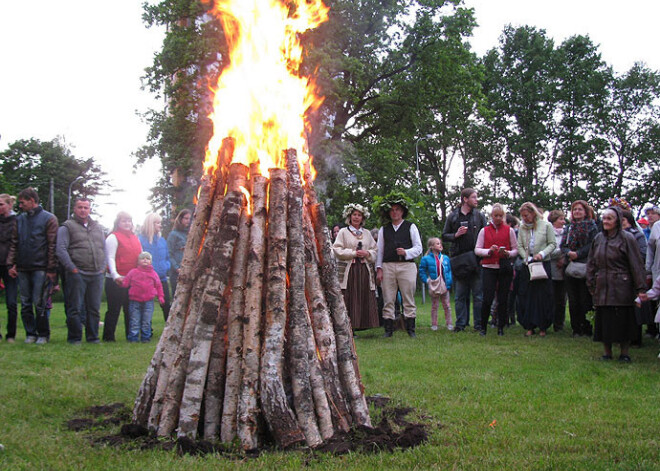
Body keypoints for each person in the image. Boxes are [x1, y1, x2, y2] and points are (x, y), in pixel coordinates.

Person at [587, 207, 647, 362]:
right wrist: (591, 281)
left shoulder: (627, 238)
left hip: (622, 285)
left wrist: (641, 288)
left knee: (623, 320)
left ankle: (624, 353)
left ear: (617, 221)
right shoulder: (599, 238)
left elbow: (636, 263)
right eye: (604, 218)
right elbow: (592, 262)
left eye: (609, 219)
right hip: (603, 284)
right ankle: (607, 352)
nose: (606, 221)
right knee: (604, 319)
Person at [6, 188, 58, 344]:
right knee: (25, 302)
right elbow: (14, 243)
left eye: (22, 202)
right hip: (22, 267)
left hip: (40, 267)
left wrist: (51, 268)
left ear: (32, 200)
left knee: (39, 302)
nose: (20, 206)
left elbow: (52, 245)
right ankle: (30, 333)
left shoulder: (49, 218)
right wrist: (11, 264)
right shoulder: (19, 220)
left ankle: (43, 334)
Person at [56, 198, 106, 344]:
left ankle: (93, 338)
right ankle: (74, 338)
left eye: (86, 207)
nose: (83, 210)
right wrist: (72, 268)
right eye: (80, 207)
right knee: (75, 308)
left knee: (94, 309)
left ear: (90, 209)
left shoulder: (97, 227)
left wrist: (103, 267)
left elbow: (103, 247)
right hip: (78, 273)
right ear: (74, 209)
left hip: (96, 274)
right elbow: (60, 249)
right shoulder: (67, 227)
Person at [375, 194, 423, 338]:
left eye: (397, 209)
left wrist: (406, 252)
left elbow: (419, 247)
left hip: (406, 266)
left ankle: (410, 329)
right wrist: (379, 269)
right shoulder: (384, 229)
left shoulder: (410, 227)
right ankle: (388, 330)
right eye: (392, 210)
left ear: (402, 212)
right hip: (388, 266)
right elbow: (380, 251)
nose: (394, 212)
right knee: (388, 298)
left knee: (408, 297)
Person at [442, 188, 487, 332]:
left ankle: (479, 324)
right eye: (473, 197)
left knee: (478, 295)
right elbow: (444, 235)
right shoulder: (453, 216)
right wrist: (455, 235)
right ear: (465, 199)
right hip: (459, 260)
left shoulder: (479, 216)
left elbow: (486, 234)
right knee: (460, 294)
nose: (476, 200)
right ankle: (460, 324)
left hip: (476, 259)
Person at [333, 203, 379, 333]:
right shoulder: (343, 232)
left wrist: (367, 253)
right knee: (350, 296)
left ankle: (363, 324)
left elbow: (375, 249)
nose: (356, 217)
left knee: (363, 294)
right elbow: (336, 249)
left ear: (362, 218)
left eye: (359, 215)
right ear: (350, 216)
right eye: (354, 215)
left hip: (364, 270)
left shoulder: (367, 233)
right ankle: (349, 327)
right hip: (350, 270)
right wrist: (353, 253)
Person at [474, 204, 517, 336]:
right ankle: (483, 327)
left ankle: (501, 327)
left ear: (503, 216)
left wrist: (508, 254)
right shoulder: (484, 231)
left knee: (503, 299)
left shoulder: (509, 230)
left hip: (504, 267)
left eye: (500, 216)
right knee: (487, 298)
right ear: (491, 216)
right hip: (489, 267)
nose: (498, 218)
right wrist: (488, 251)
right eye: (495, 216)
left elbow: (515, 250)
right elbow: (477, 249)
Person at [516, 202, 556, 337]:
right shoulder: (522, 228)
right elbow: (520, 245)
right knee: (527, 295)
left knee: (543, 296)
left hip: (543, 264)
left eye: (526, 216)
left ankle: (543, 326)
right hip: (528, 265)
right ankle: (529, 325)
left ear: (533, 213)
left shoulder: (547, 226)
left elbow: (552, 244)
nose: (524, 219)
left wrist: (542, 254)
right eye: (522, 216)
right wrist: (526, 257)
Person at [559, 200, 598, 337]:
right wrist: (568, 252)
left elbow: (593, 245)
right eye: (575, 209)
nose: (577, 212)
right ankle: (576, 328)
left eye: (580, 209)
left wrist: (579, 253)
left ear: (585, 212)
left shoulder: (592, 227)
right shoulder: (569, 228)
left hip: (586, 264)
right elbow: (563, 244)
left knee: (585, 299)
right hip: (570, 266)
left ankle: (586, 327)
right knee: (573, 299)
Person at [103, 211, 142, 341]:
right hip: (116, 280)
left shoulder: (135, 237)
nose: (127, 223)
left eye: (129, 221)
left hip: (132, 280)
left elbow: (140, 256)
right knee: (114, 309)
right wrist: (115, 276)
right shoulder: (113, 237)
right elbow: (110, 257)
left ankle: (131, 336)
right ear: (118, 223)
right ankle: (108, 337)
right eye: (124, 221)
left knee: (130, 310)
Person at [122, 252, 165, 343]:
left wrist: (160, 297)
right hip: (135, 300)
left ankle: (146, 337)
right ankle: (133, 337)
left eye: (147, 258)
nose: (145, 260)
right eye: (142, 258)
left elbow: (158, 286)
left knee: (146, 320)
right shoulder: (133, 272)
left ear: (151, 262)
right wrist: (123, 283)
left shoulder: (153, 274)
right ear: (138, 261)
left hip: (149, 301)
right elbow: (126, 282)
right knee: (134, 320)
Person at [139, 213, 171, 322]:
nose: (160, 225)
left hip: (161, 278)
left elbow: (167, 257)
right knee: (147, 306)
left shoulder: (162, 240)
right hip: (147, 278)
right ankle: (147, 331)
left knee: (166, 303)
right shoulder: (141, 240)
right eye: (157, 223)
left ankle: (169, 327)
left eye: (160, 223)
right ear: (150, 224)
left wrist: (165, 267)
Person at [419, 237, 453, 331]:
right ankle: (434, 324)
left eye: (440, 243)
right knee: (435, 305)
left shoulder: (445, 258)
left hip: (444, 285)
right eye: (437, 243)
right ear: (432, 246)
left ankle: (449, 323)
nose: (440, 245)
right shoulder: (426, 259)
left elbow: (449, 271)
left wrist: (449, 282)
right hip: (434, 285)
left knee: (447, 305)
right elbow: (422, 271)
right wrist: (427, 280)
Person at [0, 194, 18, 342]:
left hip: (10, 266)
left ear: (9, 205)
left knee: (11, 302)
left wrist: (15, 264)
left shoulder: (17, 221)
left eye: (1, 204)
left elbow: (19, 244)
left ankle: (10, 334)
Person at [548, 209, 567, 331]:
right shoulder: (549, 233)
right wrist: (563, 251)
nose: (563, 221)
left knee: (562, 299)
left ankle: (559, 323)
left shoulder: (567, 233)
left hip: (564, 270)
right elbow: (549, 251)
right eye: (560, 219)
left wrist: (564, 257)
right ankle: (550, 320)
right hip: (551, 269)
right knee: (552, 298)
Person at [167, 209, 191, 296]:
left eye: (190, 218)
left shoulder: (190, 234)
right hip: (176, 273)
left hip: (188, 272)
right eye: (186, 218)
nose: (188, 221)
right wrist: (177, 268)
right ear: (180, 219)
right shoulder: (173, 234)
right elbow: (169, 253)